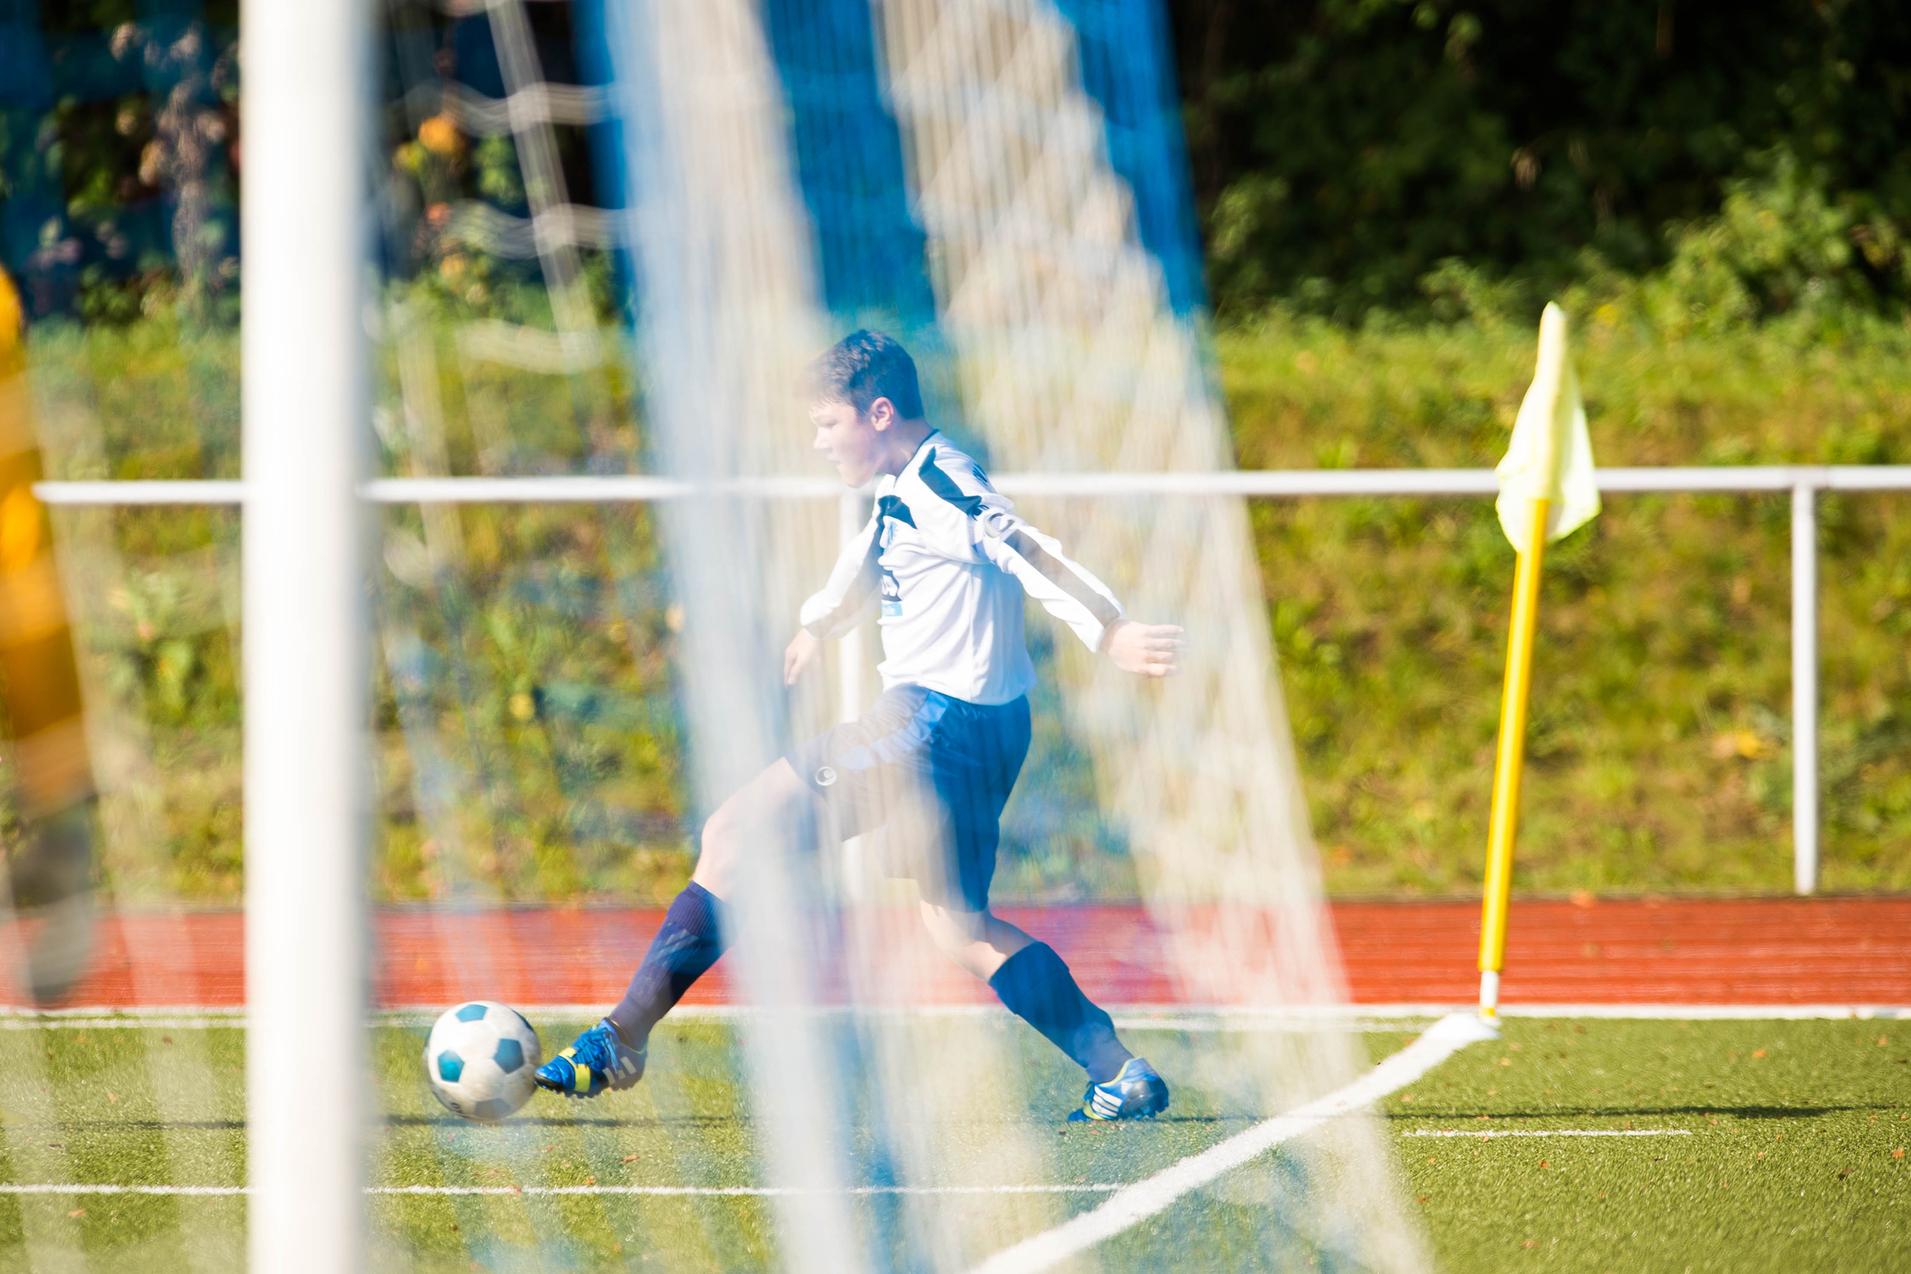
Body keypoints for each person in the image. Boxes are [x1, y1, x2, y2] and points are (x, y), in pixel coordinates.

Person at [536, 330, 1182, 1121]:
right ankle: (1118, 1071)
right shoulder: (909, 484)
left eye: (826, 425)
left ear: (878, 413)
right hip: (985, 727)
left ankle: (619, 1038)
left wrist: (1109, 630)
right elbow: (878, 550)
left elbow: (1027, 550)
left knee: (736, 835)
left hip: (931, 724)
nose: (816, 443)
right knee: (957, 925)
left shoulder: (944, 486)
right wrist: (820, 624)